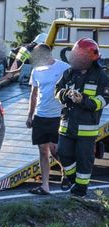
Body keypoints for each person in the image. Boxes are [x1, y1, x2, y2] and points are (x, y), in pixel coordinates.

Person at [55, 38, 109, 200]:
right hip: (66, 124)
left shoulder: (101, 77)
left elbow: (103, 100)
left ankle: (80, 192)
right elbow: (57, 90)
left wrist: (83, 100)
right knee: (63, 154)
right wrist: (65, 94)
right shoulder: (69, 73)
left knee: (84, 160)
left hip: (86, 128)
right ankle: (74, 182)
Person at [26, 43, 70, 195]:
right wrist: (30, 115)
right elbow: (33, 94)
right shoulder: (36, 70)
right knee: (43, 151)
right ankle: (45, 186)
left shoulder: (63, 67)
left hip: (57, 116)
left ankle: (67, 172)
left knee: (55, 150)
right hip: (40, 115)